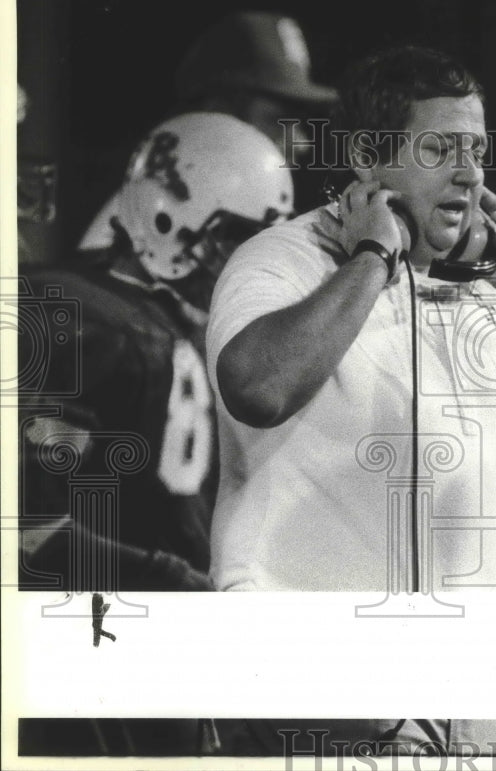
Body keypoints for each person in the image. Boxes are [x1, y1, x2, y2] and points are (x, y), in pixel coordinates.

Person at [206, 45, 496, 593]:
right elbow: (258, 389)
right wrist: (373, 260)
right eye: (439, 149)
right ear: (365, 155)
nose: (469, 173)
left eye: (475, 149)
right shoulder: (284, 259)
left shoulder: (495, 288)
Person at [19, 112, 294, 592]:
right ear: (165, 214)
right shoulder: (77, 315)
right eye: (236, 238)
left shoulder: (183, 325)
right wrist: (172, 582)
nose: (250, 264)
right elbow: (26, 526)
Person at [77, 11, 337, 252]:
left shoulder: (227, 220)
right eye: (278, 120)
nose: (301, 143)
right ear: (217, 115)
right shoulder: (135, 229)